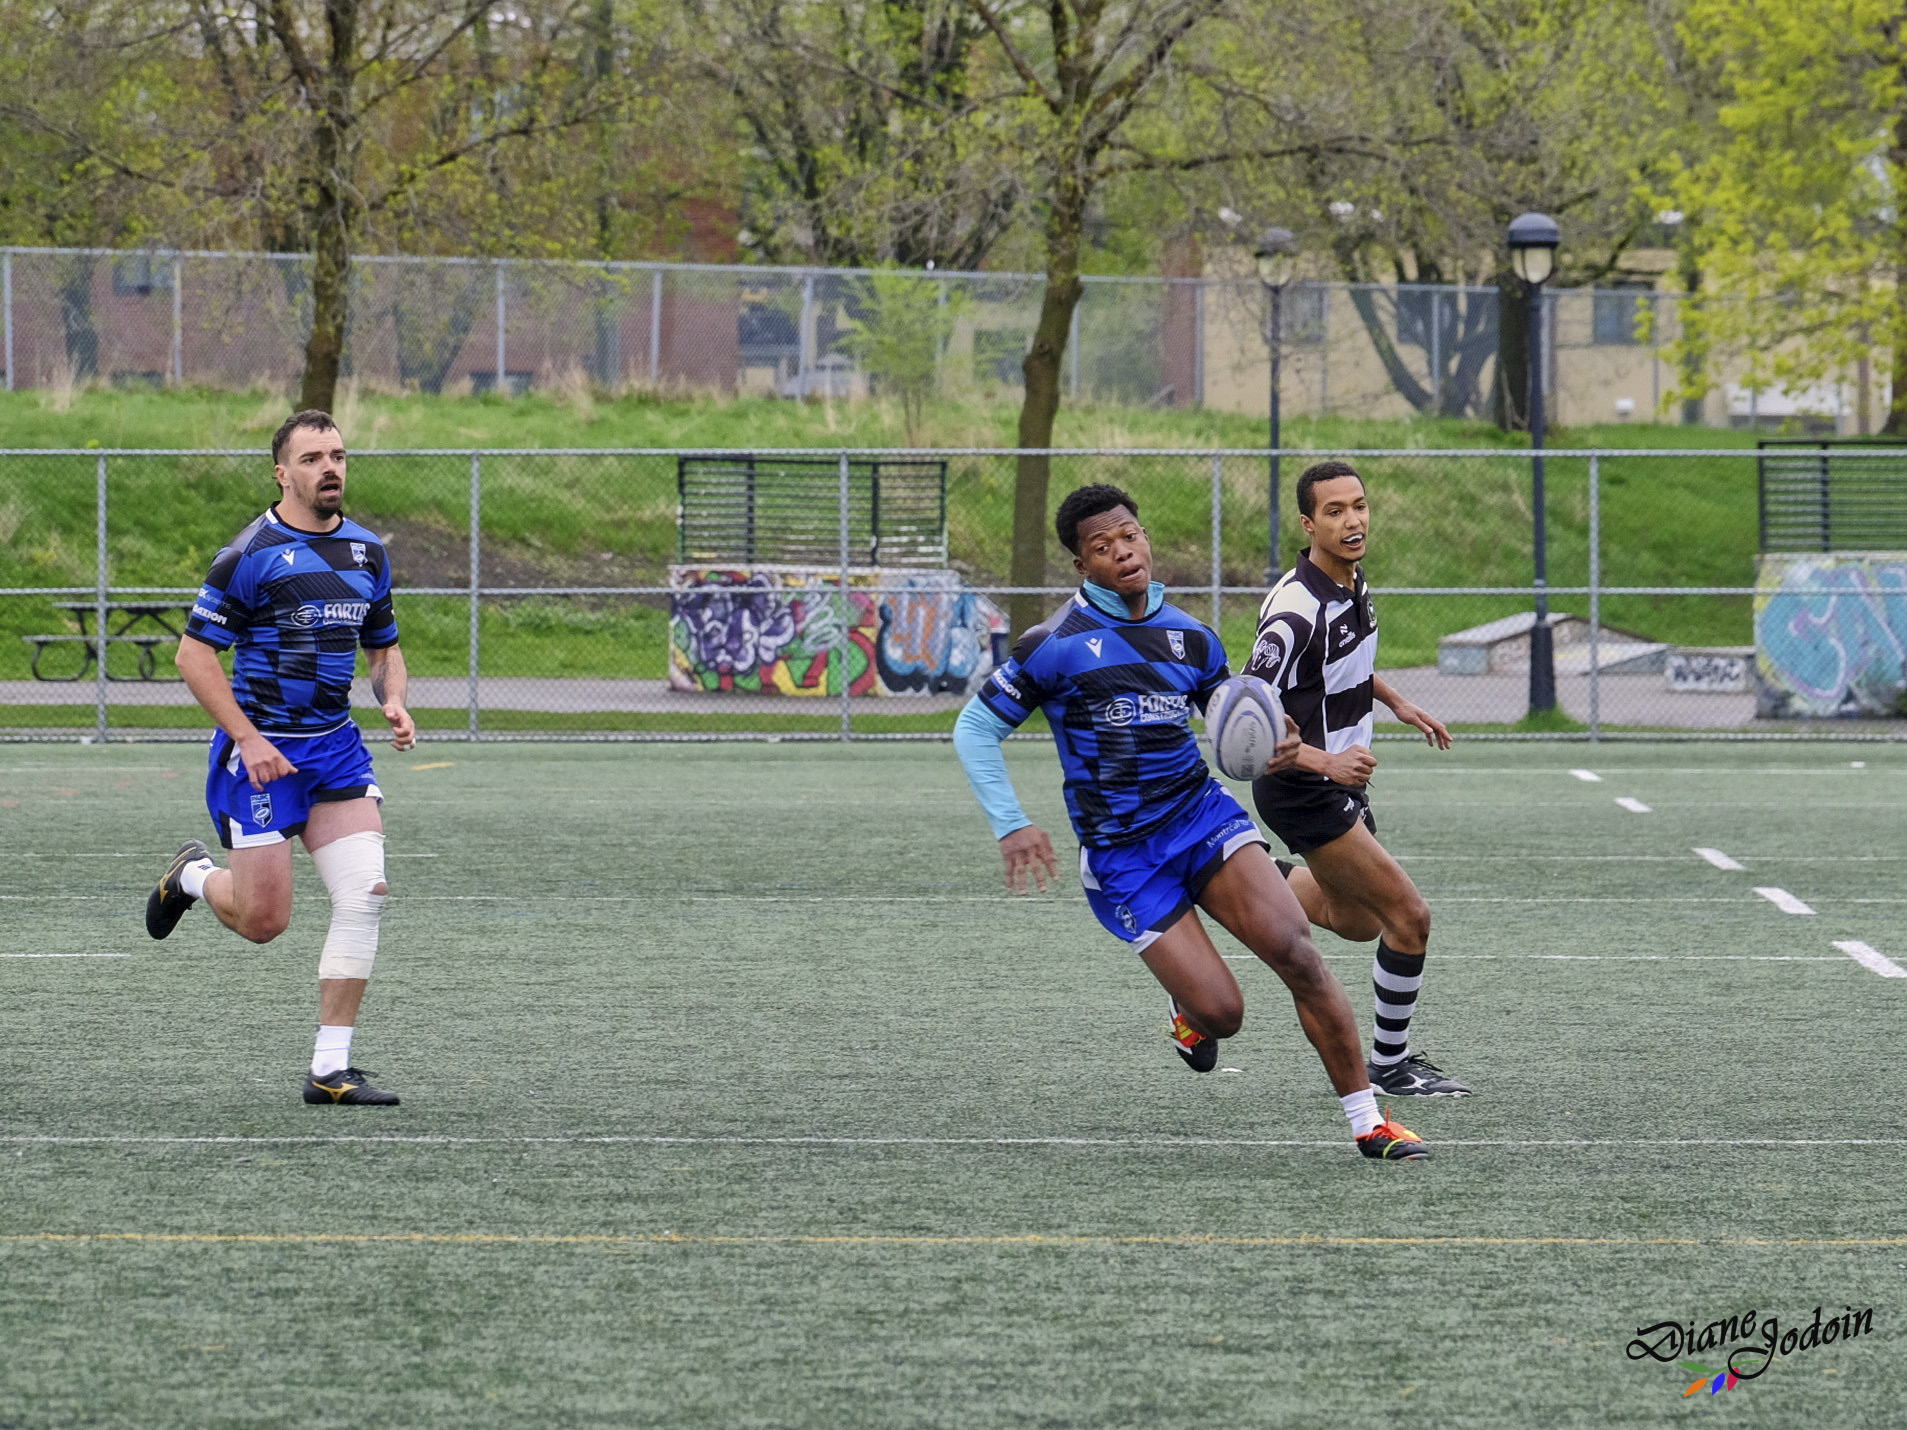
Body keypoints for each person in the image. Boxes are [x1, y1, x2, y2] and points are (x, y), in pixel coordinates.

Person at [953, 483, 1430, 1160]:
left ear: (1143, 538)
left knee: (1297, 953)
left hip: (1201, 819)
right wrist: (1011, 823)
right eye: (1101, 546)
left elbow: (1235, 720)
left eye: (1129, 535)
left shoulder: (1190, 637)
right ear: (1081, 566)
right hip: (1123, 856)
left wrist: (1278, 743)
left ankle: (1367, 1122)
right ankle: (1190, 1015)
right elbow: (974, 728)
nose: (1122, 551)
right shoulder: (1051, 646)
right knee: (1222, 1014)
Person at [144, 410, 415, 1106]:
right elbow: (193, 654)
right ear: (282, 473)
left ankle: (330, 1069)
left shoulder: (365, 553)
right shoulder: (250, 554)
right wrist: (249, 739)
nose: (331, 468)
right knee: (265, 923)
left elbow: (382, 645)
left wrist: (393, 699)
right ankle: (196, 877)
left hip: (336, 750)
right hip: (262, 753)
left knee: (366, 896)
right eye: (314, 458)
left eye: (339, 455)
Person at [1246, 459, 1470, 1098]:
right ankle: (1390, 1067)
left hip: (1338, 785)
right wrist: (1326, 761)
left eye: (1360, 506)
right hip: (1302, 788)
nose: (1353, 521)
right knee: (1409, 917)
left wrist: (1396, 702)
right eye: (1336, 511)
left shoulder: (1350, 581)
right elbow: (1246, 721)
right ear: (1308, 522)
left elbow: (1339, 669)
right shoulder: (1293, 611)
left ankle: (1250, 876)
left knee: (1357, 921)